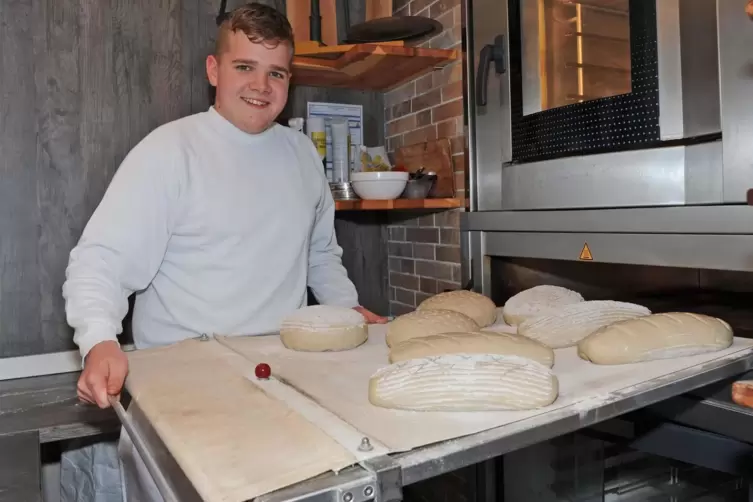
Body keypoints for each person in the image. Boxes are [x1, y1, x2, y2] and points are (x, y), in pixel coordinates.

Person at [61, 3, 386, 500]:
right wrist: (98, 338)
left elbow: (321, 254)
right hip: (183, 392)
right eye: (244, 67)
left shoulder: (301, 155)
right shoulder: (169, 151)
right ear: (214, 71)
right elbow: (100, 258)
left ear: (289, 80)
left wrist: (347, 311)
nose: (261, 85)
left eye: (276, 72)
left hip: (286, 382)